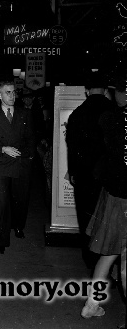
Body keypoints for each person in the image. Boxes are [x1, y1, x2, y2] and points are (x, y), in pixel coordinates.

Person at [80, 73, 127, 320]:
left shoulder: (110, 120)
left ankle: (91, 303)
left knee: (108, 253)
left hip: (113, 195)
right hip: (122, 196)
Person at [66, 70, 115, 269]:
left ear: (86, 91)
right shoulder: (114, 111)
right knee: (108, 220)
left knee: (86, 218)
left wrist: (73, 171)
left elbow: (72, 146)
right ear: (104, 91)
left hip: (85, 176)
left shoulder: (77, 113)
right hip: (109, 177)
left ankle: (91, 261)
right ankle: (108, 263)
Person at [0, 81, 35, 254]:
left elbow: (31, 138)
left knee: (20, 199)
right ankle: (1, 241)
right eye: (7, 93)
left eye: (14, 92)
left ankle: (18, 226)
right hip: (1, 164)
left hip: (21, 163)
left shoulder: (25, 114)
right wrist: (3, 149)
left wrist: (28, 156)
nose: (12, 96)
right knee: (1, 203)